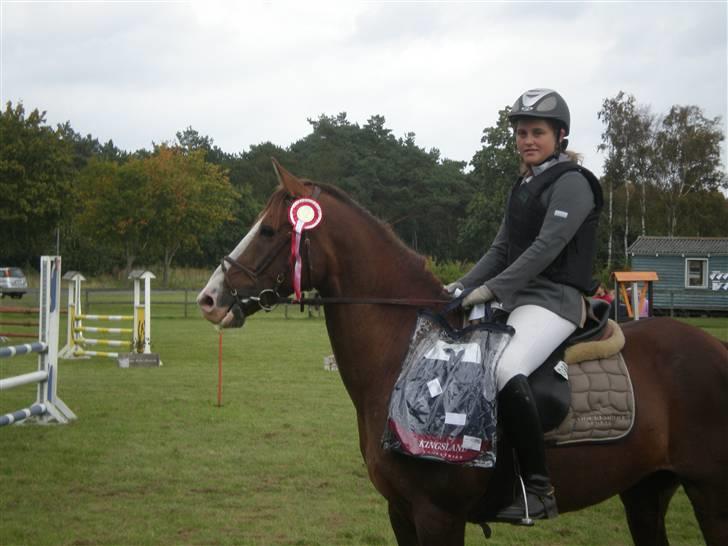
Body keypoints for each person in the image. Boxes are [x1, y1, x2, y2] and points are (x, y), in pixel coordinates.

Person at [445, 88, 603, 523]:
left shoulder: (573, 183)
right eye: (521, 133)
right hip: (518, 300)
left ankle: (539, 488)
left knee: (504, 367)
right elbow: (501, 249)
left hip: (555, 301)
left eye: (537, 132)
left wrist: (491, 290)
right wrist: (461, 285)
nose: (527, 140)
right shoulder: (524, 185)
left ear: (560, 136)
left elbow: (545, 249)